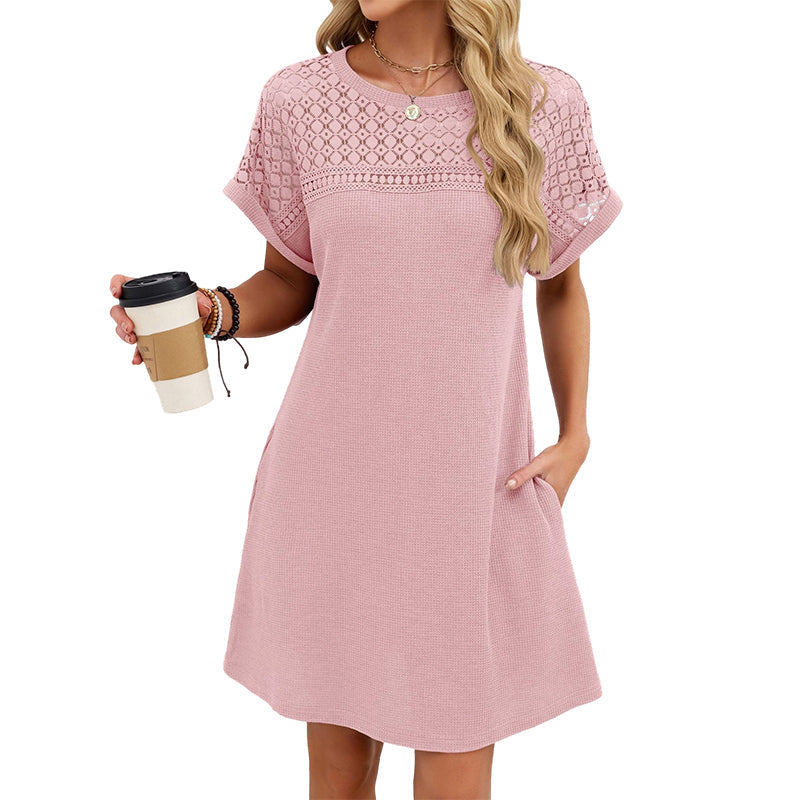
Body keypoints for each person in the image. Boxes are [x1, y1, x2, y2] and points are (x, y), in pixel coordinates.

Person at [109, 0, 623, 797]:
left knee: (456, 759)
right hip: (336, 485)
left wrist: (576, 432)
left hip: (470, 496)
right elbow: (290, 281)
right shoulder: (299, 100)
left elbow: (560, 285)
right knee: (339, 782)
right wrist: (211, 312)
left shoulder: (543, 103)